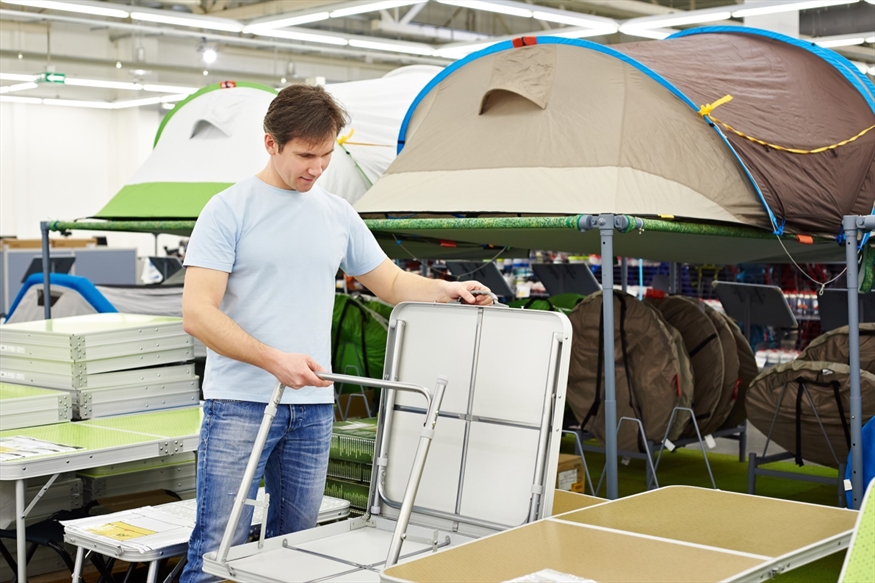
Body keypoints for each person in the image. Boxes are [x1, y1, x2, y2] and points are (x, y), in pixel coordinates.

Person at [179, 84, 492, 583]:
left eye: (326, 155)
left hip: (313, 407)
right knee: (217, 554)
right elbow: (198, 314)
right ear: (271, 144)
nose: (317, 167)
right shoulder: (228, 210)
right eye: (305, 155)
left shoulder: (337, 213)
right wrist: (273, 360)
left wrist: (447, 290)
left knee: (295, 551)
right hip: (240, 404)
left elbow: (391, 283)